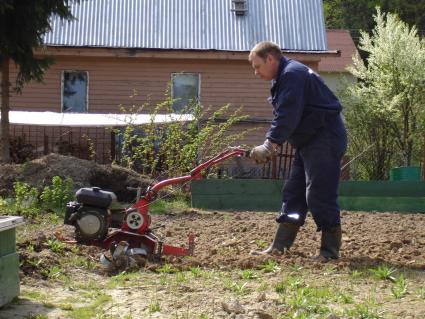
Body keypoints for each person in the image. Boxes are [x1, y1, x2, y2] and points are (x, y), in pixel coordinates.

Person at [248, 41, 347, 260]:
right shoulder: (285, 77)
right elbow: (287, 115)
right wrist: (272, 142)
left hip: (325, 138)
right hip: (308, 142)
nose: (256, 72)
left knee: (319, 194)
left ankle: (329, 252)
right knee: (293, 193)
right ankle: (279, 246)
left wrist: (269, 144)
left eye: (257, 66)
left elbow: (288, 115)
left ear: (270, 59)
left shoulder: (292, 75)